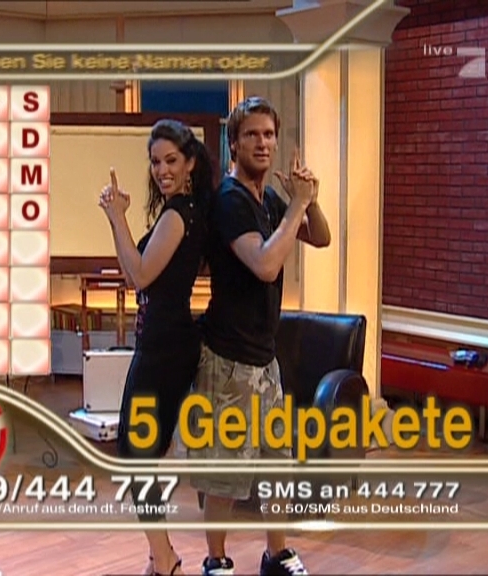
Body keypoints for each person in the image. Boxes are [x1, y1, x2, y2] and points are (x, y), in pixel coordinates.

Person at [188, 97, 331, 576]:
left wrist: (310, 198)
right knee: (225, 474)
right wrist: (298, 205)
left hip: (265, 360)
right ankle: (216, 560)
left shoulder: (268, 199)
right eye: (252, 134)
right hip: (227, 360)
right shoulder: (229, 200)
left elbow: (321, 236)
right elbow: (266, 264)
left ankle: (276, 554)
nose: (263, 143)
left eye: (269, 134)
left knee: (276, 466)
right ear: (234, 143)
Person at [98, 119, 215, 576]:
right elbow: (135, 275)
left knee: (135, 454)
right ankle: (157, 557)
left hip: (165, 347)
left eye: (171, 161)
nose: (162, 170)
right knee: (139, 451)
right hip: (162, 342)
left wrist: (117, 217)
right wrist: (118, 221)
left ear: (189, 164)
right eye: (155, 162)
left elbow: (143, 275)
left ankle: (165, 560)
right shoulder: (180, 212)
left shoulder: (179, 215)